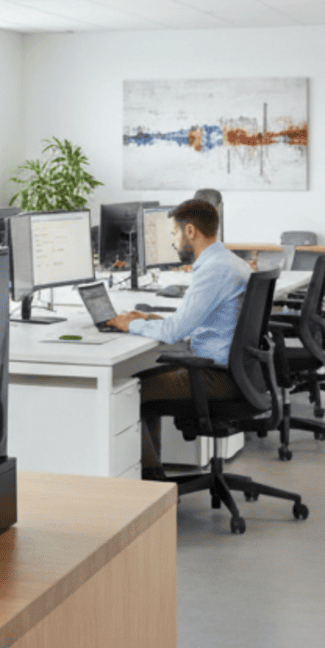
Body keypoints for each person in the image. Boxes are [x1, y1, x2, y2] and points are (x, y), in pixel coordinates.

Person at [106, 198, 251, 478]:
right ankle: (151, 473)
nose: (172, 241)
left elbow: (174, 333)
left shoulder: (213, 270)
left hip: (218, 376)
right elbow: (188, 322)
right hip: (236, 370)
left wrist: (130, 325)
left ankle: (152, 482)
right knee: (144, 378)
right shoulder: (227, 261)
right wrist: (148, 320)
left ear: (191, 232)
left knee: (131, 392)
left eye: (173, 233)